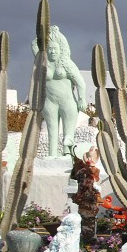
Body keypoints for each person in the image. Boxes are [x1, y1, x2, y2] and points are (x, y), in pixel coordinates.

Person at [33, 26, 86, 157]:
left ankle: (68, 156)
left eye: (55, 49)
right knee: (52, 131)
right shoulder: (42, 63)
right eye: (50, 49)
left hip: (68, 102)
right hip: (49, 102)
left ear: (61, 49)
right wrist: (46, 34)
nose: (52, 52)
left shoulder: (67, 64)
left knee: (69, 134)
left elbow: (80, 82)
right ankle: (52, 156)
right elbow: (34, 43)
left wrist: (82, 98)